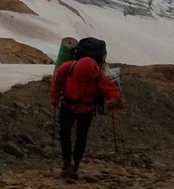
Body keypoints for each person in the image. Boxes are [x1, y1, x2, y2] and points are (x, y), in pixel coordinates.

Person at [49, 37, 123, 180]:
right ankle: (68, 164)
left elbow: (111, 90)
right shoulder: (86, 71)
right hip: (75, 106)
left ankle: (73, 165)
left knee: (76, 136)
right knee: (69, 134)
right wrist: (54, 96)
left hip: (78, 107)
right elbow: (56, 82)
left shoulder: (73, 69)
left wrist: (114, 99)